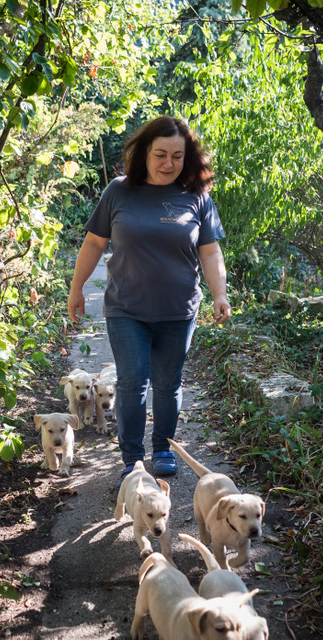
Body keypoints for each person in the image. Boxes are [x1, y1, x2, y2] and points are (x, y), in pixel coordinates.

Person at [67, 115, 230, 485]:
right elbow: (94, 242)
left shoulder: (197, 197)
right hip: (127, 308)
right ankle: (132, 459)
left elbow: (210, 252)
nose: (168, 164)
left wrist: (220, 293)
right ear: (144, 153)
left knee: (168, 383)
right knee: (131, 382)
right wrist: (77, 289)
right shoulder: (118, 191)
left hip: (179, 309)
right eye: (160, 154)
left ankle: (163, 448)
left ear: (187, 157)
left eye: (177, 156)